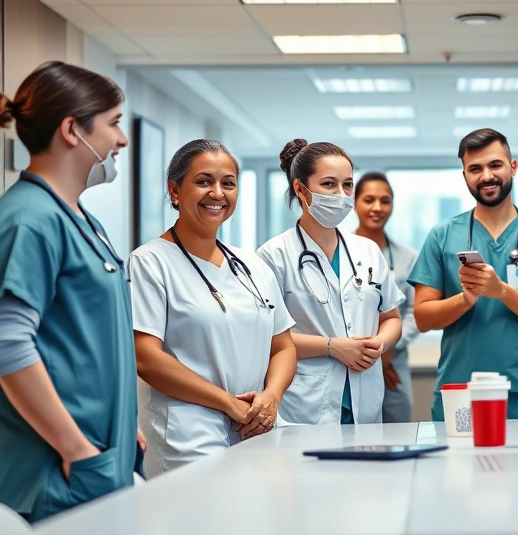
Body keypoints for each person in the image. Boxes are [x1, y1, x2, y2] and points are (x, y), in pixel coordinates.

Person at [0, 62, 144, 522]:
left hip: (99, 451)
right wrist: (76, 448)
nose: (121, 140)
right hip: (57, 466)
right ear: (71, 130)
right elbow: (7, 345)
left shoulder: (79, 218)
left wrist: (123, 423)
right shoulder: (30, 219)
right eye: (114, 123)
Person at [131, 139, 296, 477]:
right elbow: (146, 357)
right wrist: (228, 403)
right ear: (175, 191)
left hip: (255, 425)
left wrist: (271, 396)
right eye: (204, 181)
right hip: (188, 432)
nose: (218, 193)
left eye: (228, 183)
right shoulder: (149, 262)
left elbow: (283, 347)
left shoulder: (253, 265)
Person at [409, 128, 518, 420]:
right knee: (456, 466)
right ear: (465, 176)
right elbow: (423, 318)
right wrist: (465, 299)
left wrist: (501, 291)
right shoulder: (443, 236)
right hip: (460, 390)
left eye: (495, 165)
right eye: (475, 169)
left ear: (513, 167)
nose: (486, 176)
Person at [258, 141, 404, 425]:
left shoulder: (368, 251)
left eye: (347, 185)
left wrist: (379, 342)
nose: (341, 195)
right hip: (305, 405)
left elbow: (392, 318)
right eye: (329, 184)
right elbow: (265, 339)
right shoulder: (273, 256)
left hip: (366, 400)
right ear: (301, 189)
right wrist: (331, 346)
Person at [353, 171, 420, 423]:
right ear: (355, 202)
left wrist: (388, 350)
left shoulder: (408, 257)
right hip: (350, 359)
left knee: (398, 428)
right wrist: (371, 355)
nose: (377, 207)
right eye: (369, 200)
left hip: (395, 360)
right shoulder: (335, 251)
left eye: (385, 200)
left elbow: (414, 312)